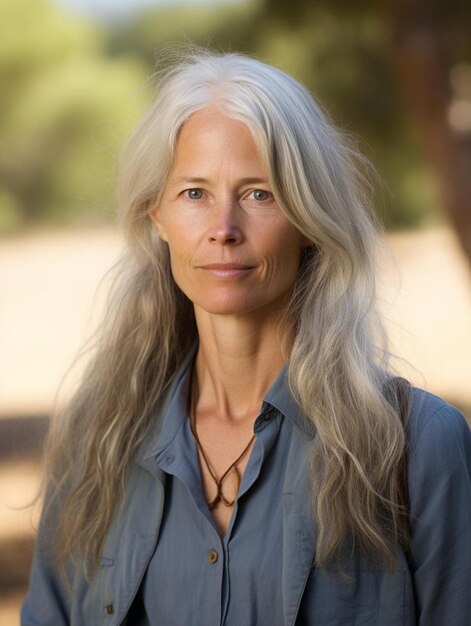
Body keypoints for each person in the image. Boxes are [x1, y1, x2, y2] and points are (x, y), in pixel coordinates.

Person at [21, 50, 471, 626]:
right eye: (195, 193)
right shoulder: (96, 444)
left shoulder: (417, 447)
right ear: (156, 214)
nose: (224, 230)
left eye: (259, 193)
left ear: (310, 219)